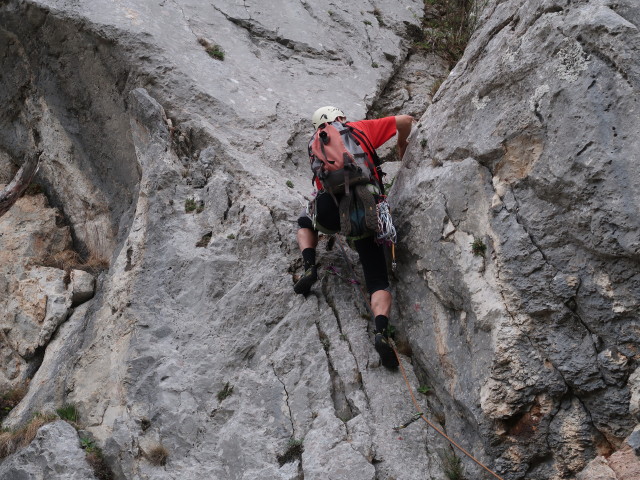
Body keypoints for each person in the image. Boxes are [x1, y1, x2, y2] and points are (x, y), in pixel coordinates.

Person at [294, 106, 414, 368]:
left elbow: (321, 186)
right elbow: (405, 121)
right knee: (377, 280)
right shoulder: (358, 129)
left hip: (331, 208)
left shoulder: (317, 144)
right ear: (340, 118)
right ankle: (381, 331)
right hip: (367, 209)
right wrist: (403, 146)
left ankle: (308, 265)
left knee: (305, 220)